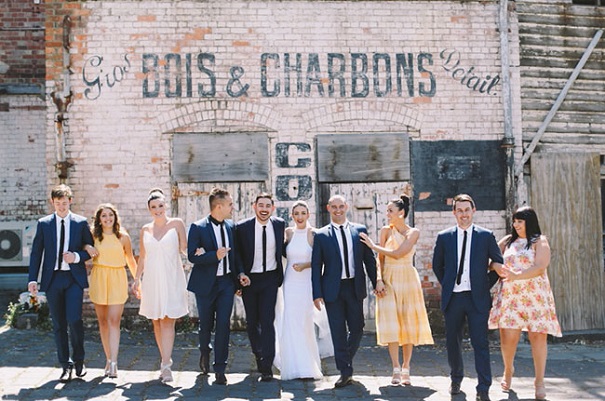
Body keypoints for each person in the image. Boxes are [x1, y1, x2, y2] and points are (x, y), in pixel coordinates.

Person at [432, 193, 504, 401]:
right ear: (454, 213)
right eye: (459, 210)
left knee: (480, 343)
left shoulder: (486, 236)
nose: (464, 214)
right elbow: (437, 265)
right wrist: (448, 284)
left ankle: (483, 388)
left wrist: (483, 286)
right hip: (453, 298)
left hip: (477, 299)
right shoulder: (444, 237)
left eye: (467, 210)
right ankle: (456, 378)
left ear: (474, 211)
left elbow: (498, 265)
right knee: (452, 342)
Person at [488, 206, 561, 401]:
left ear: (530, 222)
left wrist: (517, 275)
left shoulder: (539, 241)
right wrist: (496, 265)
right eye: (514, 221)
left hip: (535, 297)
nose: (516, 225)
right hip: (510, 297)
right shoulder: (507, 241)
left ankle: (539, 382)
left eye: (520, 221)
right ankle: (508, 370)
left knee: (538, 337)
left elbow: (540, 267)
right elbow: (489, 259)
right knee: (508, 338)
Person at [359, 194, 433, 386]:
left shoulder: (413, 232)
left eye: (390, 211)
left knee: (408, 323)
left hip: (407, 278)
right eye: (387, 211)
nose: (387, 214)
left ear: (401, 213)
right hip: (389, 279)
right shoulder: (385, 230)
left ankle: (407, 367)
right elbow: (380, 260)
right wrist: (379, 280)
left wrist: (373, 246)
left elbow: (399, 254)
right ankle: (395, 368)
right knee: (391, 323)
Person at [311, 194, 384, 388]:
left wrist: (377, 281)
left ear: (346, 207)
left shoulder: (359, 231)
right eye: (334, 207)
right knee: (338, 331)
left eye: (341, 206)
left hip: (354, 287)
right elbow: (316, 265)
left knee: (358, 327)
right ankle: (345, 371)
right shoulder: (321, 235)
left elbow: (369, 259)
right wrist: (316, 293)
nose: (338, 210)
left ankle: (344, 359)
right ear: (328, 208)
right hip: (332, 289)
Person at [27, 184, 94, 383]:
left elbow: (90, 250)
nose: (62, 207)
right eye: (58, 203)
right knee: (58, 324)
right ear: (52, 202)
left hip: (73, 279)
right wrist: (33, 279)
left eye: (64, 203)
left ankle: (79, 360)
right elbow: (36, 253)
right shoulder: (44, 224)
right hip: (53, 279)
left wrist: (76, 257)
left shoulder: (80, 223)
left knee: (74, 320)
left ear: (70, 201)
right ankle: (65, 365)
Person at [132, 188, 188, 384]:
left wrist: (197, 253)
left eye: (161, 206)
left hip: (171, 277)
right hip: (152, 279)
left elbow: (184, 248)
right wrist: (136, 279)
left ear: (166, 205)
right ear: (149, 209)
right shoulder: (145, 230)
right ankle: (165, 360)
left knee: (167, 320)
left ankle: (166, 365)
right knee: (156, 320)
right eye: (154, 207)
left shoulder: (177, 223)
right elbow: (142, 257)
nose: (158, 210)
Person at [187, 187, 240, 385]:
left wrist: (239, 278)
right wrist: (213, 256)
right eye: (230, 204)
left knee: (224, 325)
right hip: (205, 284)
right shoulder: (198, 227)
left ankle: (220, 368)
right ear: (219, 206)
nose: (232, 207)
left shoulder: (231, 226)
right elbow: (192, 256)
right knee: (206, 325)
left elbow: (236, 256)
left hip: (226, 283)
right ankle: (204, 352)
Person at [276, 200, 331, 380]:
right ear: (292, 216)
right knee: (290, 321)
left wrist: (305, 265)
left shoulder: (314, 234)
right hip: (290, 283)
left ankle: (308, 366)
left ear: (308, 214)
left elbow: (321, 259)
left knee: (305, 322)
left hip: (307, 283)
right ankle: (292, 365)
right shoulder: (288, 233)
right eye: (296, 213)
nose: (299, 217)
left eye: (303, 213)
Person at [234, 192, 285, 382]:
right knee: (252, 322)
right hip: (250, 280)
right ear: (254, 207)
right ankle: (258, 354)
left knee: (267, 321)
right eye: (260, 205)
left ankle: (267, 366)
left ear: (273, 208)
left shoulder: (279, 225)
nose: (264, 209)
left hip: (270, 278)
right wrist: (240, 275)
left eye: (267, 206)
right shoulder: (242, 227)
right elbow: (237, 255)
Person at [87, 203, 137, 379]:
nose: (107, 218)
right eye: (104, 216)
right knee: (102, 321)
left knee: (113, 320)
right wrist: (86, 247)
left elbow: (130, 259)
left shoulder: (123, 237)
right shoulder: (93, 236)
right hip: (99, 277)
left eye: (110, 215)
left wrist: (138, 280)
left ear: (115, 217)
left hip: (117, 277)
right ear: (99, 219)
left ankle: (114, 362)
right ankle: (108, 359)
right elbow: (83, 248)